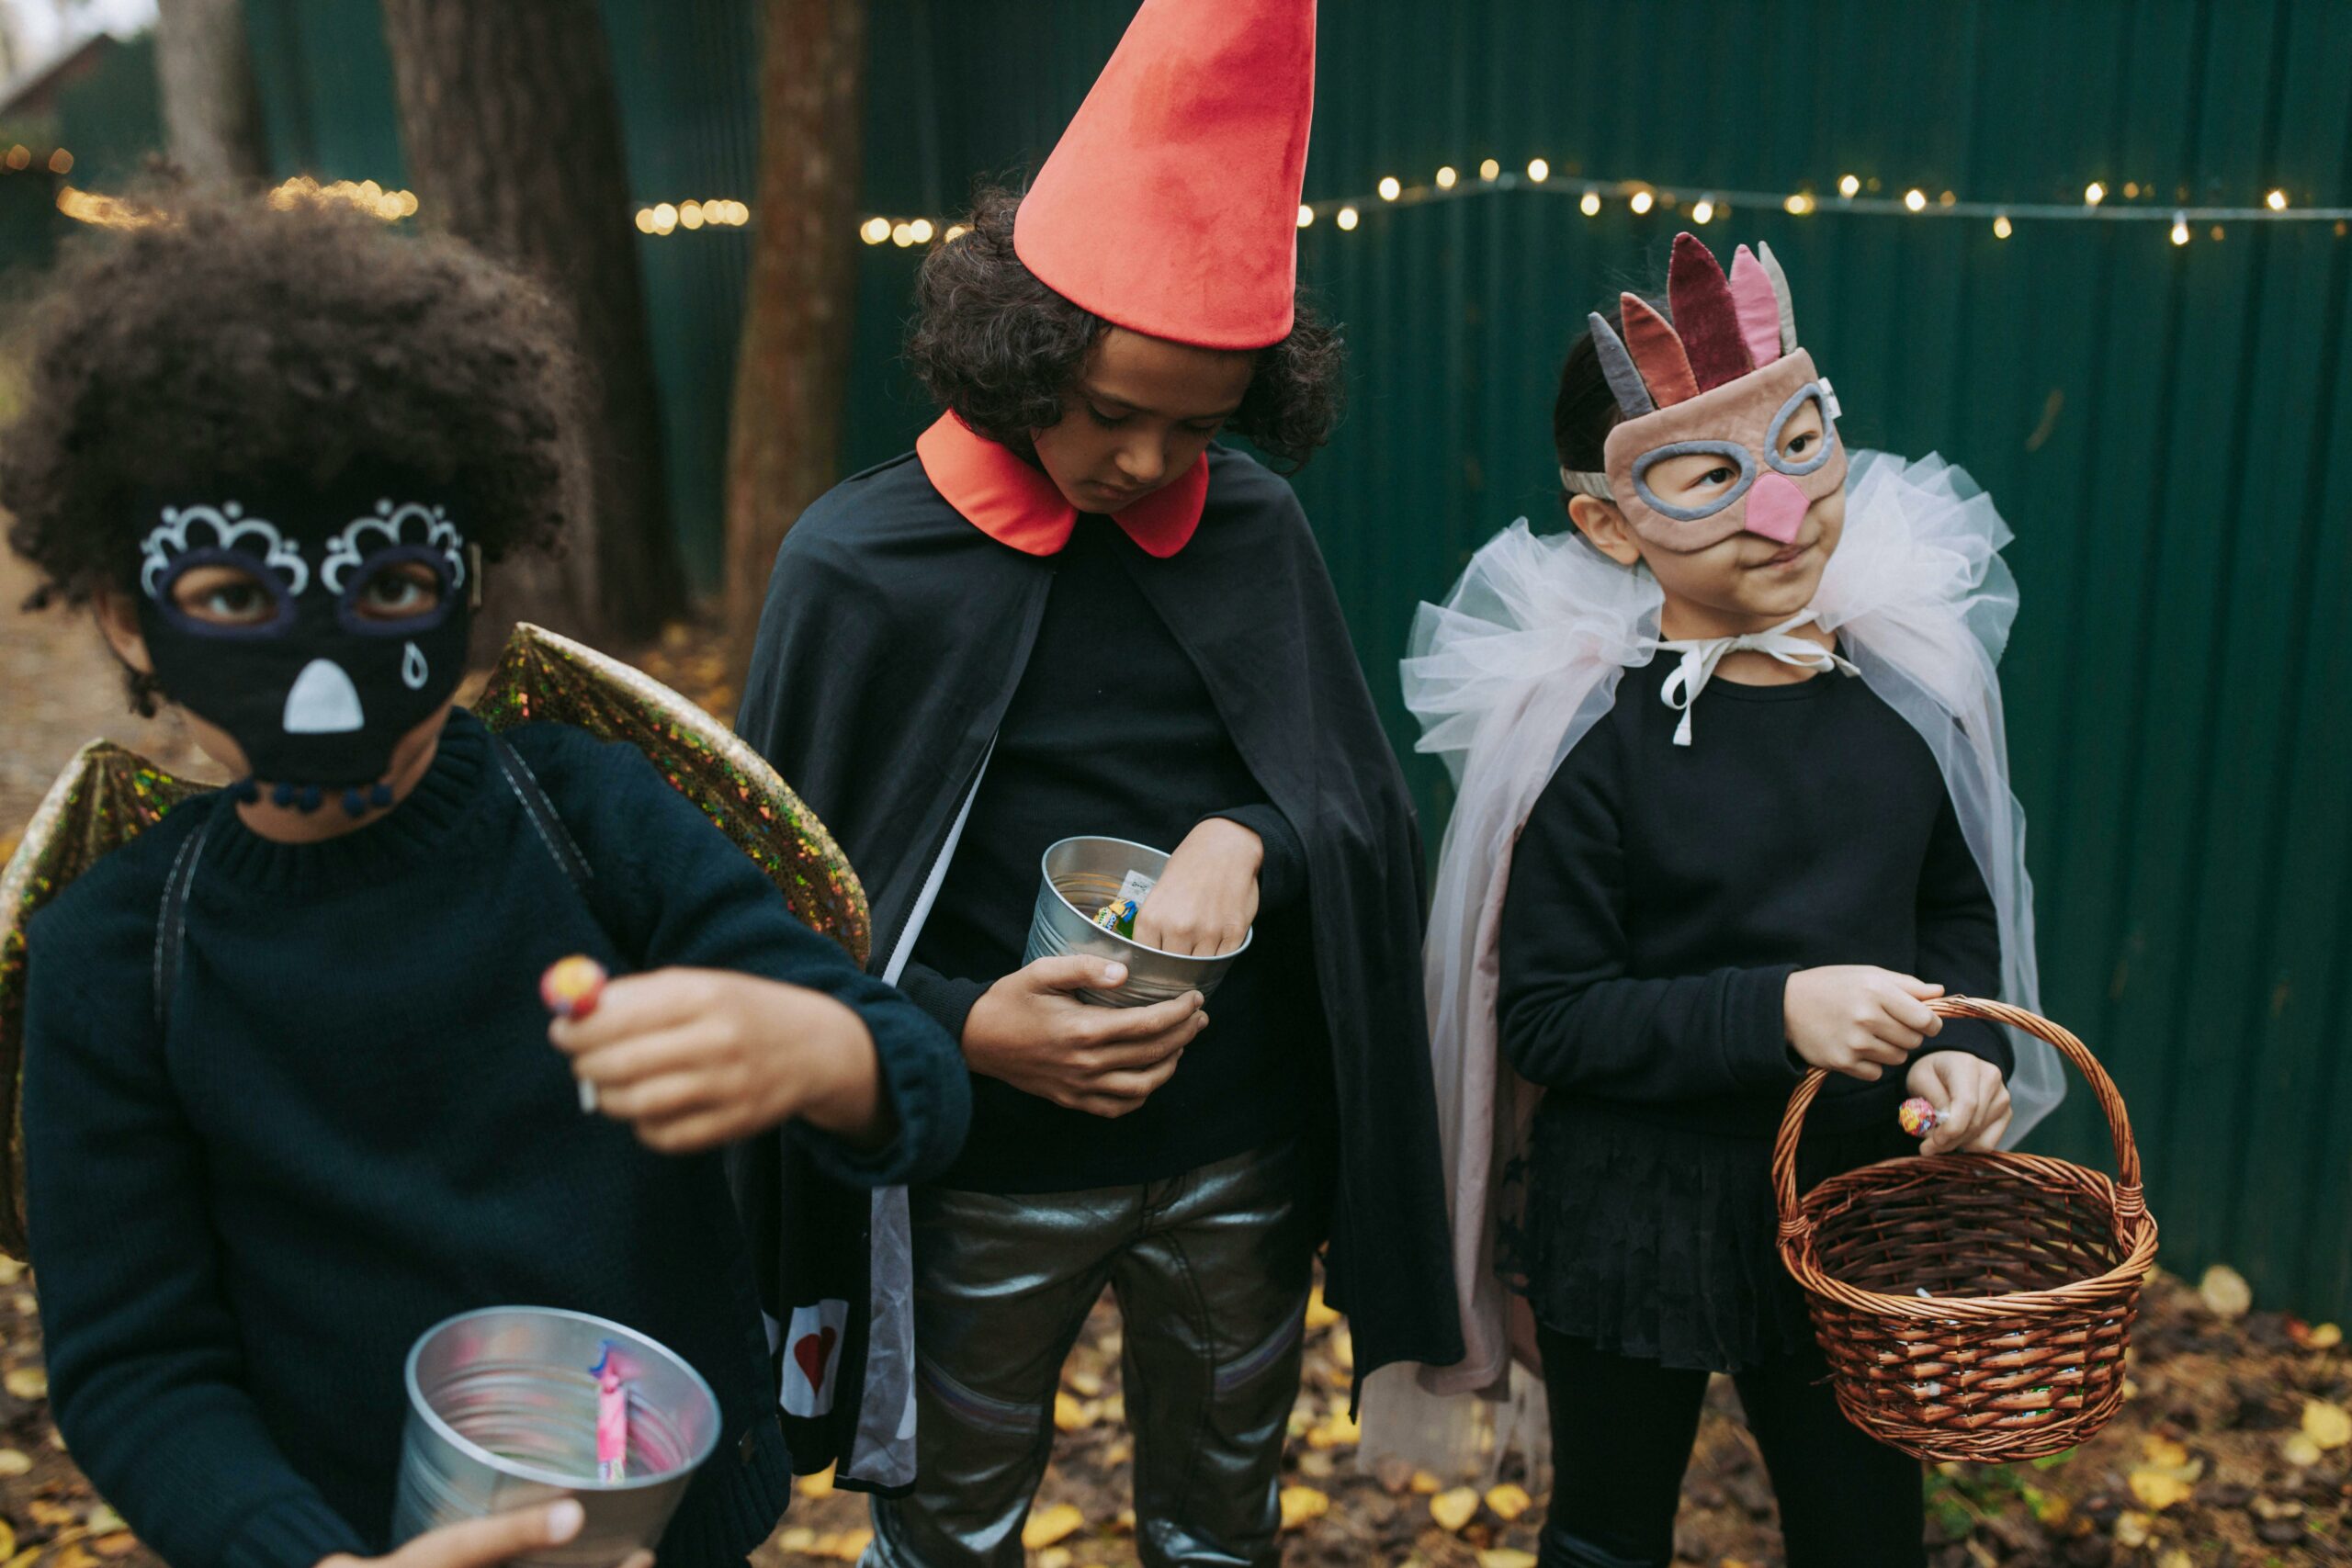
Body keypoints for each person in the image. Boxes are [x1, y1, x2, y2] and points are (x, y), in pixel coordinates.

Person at [0, 186, 968, 1568]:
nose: (323, 672)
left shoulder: (590, 815)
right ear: (122, 612)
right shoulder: (114, 958)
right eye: (232, 599)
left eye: (390, 585)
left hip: (675, 1524)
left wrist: (830, 1051)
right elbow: (133, 1365)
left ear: (471, 588)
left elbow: (914, 1088)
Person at [732, 1, 1461, 1561]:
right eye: (1112, 413)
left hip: (1239, 1155)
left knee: (1225, 1522)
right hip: (982, 1166)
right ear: (1020, 353)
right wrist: (952, 1031)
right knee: (949, 1530)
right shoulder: (859, 567)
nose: (1142, 464)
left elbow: (1356, 811)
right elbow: (772, 902)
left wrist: (1249, 836)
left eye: (1196, 430)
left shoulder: (1252, 530)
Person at [1378, 232, 2064, 1566]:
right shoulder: (1590, 746)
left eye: (1801, 450)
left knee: (1865, 1527)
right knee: (1609, 1533)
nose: (1782, 512)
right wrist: (1781, 1009)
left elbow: (1955, 922)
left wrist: (1965, 1052)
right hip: (1634, 1212)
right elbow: (1554, 1022)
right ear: (1609, 522)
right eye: (1708, 479)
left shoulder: (1902, 702)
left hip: (1856, 1192)